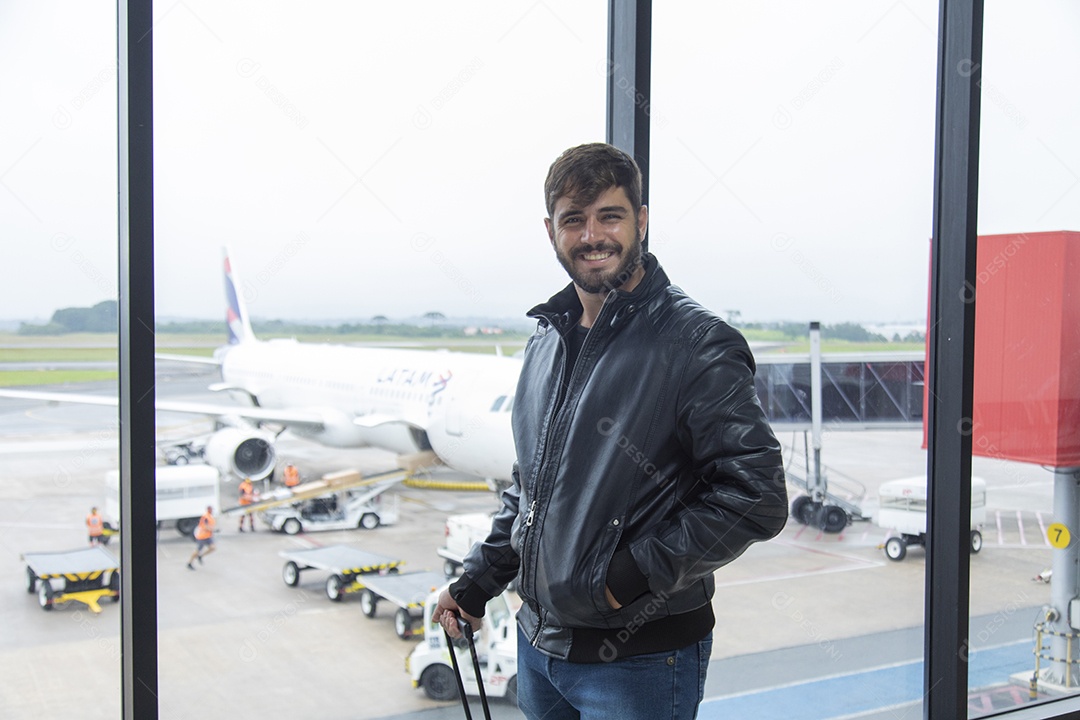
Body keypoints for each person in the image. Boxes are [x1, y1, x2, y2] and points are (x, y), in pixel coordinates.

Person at [433, 142, 788, 719]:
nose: (592, 235)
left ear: (641, 222)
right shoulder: (546, 341)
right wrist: (478, 581)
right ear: (551, 230)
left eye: (610, 216)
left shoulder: (695, 343)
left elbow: (757, 498)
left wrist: (626, 578)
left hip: (640, 661)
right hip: (538, 646)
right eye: (574, 219)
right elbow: (532, 489)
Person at [187, 505, 216, 570]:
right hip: (202, 536)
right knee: (197, 550)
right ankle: (189, 563)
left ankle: (201, 556)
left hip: (208, 536)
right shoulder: (205, 517)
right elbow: (204, 526)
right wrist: (211, 529)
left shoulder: (210, 517)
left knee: (212, 547)